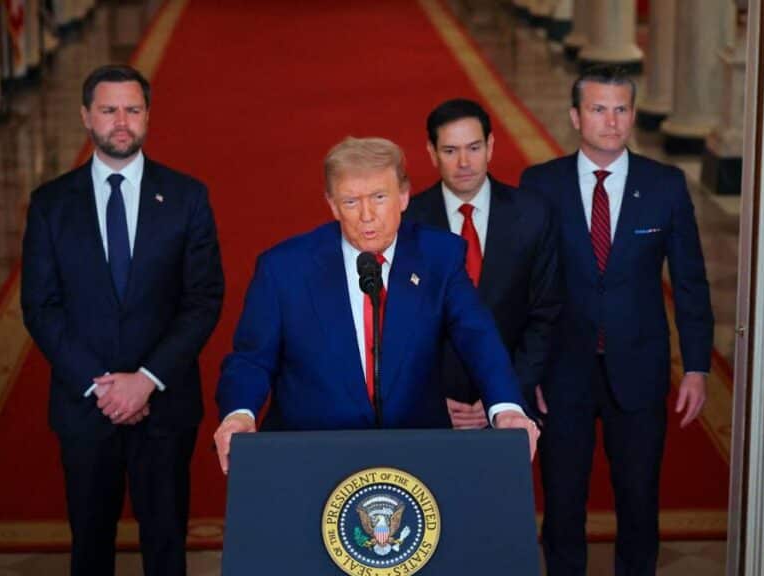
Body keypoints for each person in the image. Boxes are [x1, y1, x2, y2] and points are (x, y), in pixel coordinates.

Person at [213, 136, 538, 473]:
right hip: (310, 458)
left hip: (415, 456)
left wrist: (506, 407)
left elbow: (478, 337)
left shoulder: (439, 256)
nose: (367, 216)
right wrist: (239, 414)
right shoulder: (284, 268)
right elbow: (251, 359)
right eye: (351, 202)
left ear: (403, 195)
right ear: (332, 205)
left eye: (379, 198)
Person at [21, 64, 225, 576]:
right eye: (109, 110)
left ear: (147, 116)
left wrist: (146, 381)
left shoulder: (186, 196)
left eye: (132, 110)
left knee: (166, 542)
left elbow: (202, 299)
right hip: (85, 405)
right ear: (86, 116)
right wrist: (105, 388)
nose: (121, 122)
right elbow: (40, 307)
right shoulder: (50, 204)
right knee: (90, 543)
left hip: (165, 404)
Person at [519, 66, 713, 576]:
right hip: (562, 375)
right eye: (599, 109)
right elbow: (526, 289)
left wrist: (696, 367)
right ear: (575, 117)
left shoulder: (666, 185)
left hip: (641, 372)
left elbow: (690, 282)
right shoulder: (539, 185)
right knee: (561, 506)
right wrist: (526, 375)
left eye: (621, 109)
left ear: (632, 115)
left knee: (639, 504)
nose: (611, 121)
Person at [404, 98, 559, 425]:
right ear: (431, 153)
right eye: (450, 151)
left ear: (490, 147)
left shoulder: (532, 214)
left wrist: (505, 397)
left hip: (511, 408)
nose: (463, 162)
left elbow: (545, 315)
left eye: (473, 148)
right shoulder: (408, 223)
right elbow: (398, 326)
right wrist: (428, 399)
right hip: (433, 410)